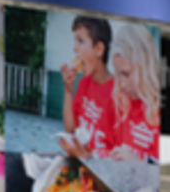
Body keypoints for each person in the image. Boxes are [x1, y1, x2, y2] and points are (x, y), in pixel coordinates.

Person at [59, 16, 114, 159]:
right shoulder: (84, 83)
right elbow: (70, 130)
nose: (75, 48)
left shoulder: (118, 94)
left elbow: (117, 157)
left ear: (99, 49)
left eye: (80, 41)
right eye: (75, 41)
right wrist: (68, 90)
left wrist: (85, 156)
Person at [109, 24, 160, 163]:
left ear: (145, 66)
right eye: (118, 75)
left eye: (126, 74)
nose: (122, 84)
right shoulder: (124, 103)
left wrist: (137, 163)